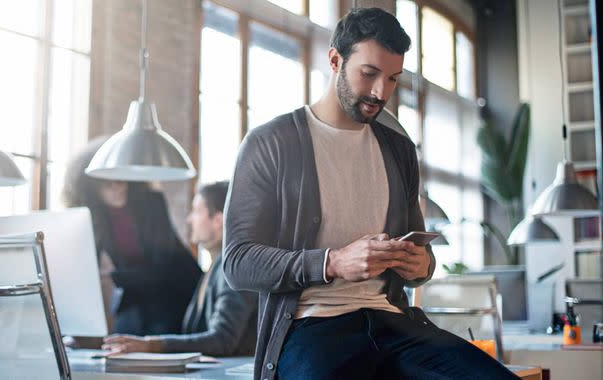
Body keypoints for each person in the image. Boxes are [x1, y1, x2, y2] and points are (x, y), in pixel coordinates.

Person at [222, 7, 518, 380]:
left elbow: (421, 262)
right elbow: (237, 261)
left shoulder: (399, 150)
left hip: (393, 322)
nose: (381, 92)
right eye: (369, 74)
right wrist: (332, 262)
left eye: (393, 79)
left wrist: (419, 265)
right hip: (312, 327)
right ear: (335, 60)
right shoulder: (270, 143)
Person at [63, 137, 202, 336]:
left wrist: (113, 277)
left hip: (174, 291)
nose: (118, 187)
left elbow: (163, 269)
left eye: (121, 178)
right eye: (107, 183)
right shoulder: (94, 216)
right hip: (135, 294)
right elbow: (87, 263)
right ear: (91, 186)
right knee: (119, 342)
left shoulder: (152, 203)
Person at [101, 181, 258, 357]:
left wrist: (151, 345)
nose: (190, 219)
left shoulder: (234, 269)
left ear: (218, 220)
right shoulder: (216, 266)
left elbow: (223, 340)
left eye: (197, 211)